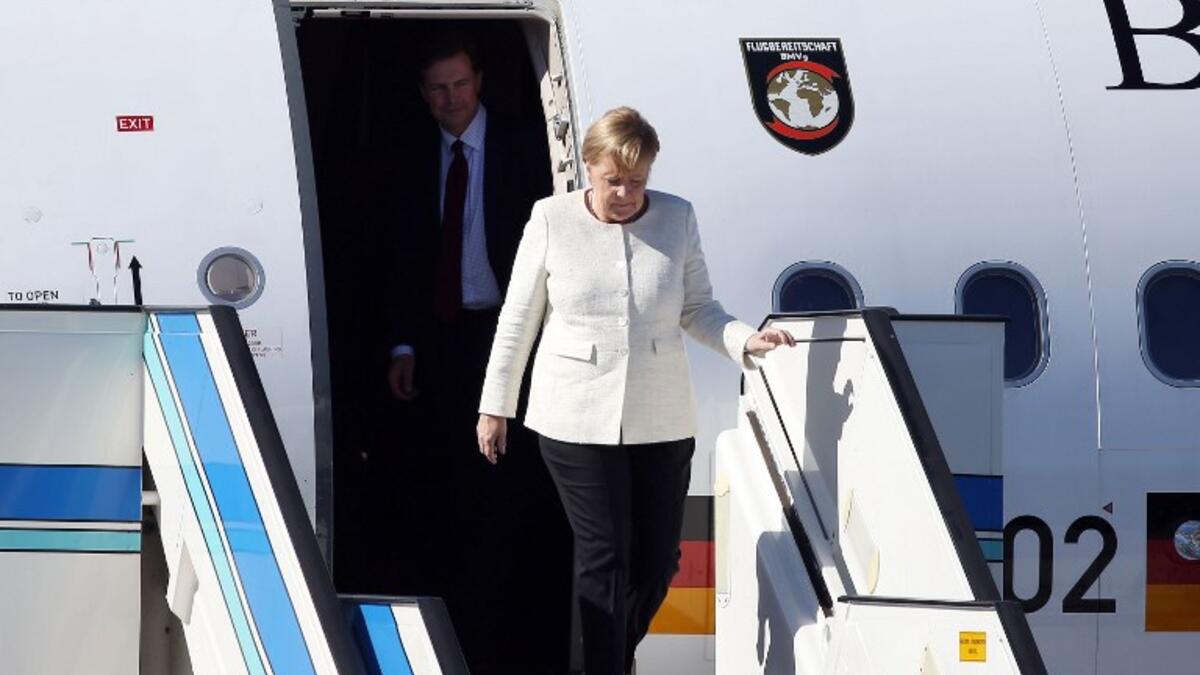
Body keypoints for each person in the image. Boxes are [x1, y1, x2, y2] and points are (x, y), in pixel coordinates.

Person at [476, 107, 795, 675]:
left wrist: (749, 339)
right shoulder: (551, 220)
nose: (624, 192)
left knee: (656, 564)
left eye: (637, 180)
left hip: (660, 415)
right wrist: (496, 405)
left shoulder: (677, 217)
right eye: (612, 180)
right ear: (589, 169)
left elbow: (698, 309)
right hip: (572, 415)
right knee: (606, 557)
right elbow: (518, 319)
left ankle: (606, 659)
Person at [376, 30, 568, 675]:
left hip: (514, 339)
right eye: (438, 88)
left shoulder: (528, 151)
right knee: (447, 483)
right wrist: (403, 343)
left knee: (512, 487)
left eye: (459, 84)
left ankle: (515, 633)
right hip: (442, 342)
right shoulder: (408, 157)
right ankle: (457, 620)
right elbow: (400, 260)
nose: (450, 98)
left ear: (479, 82)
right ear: (423, 94)